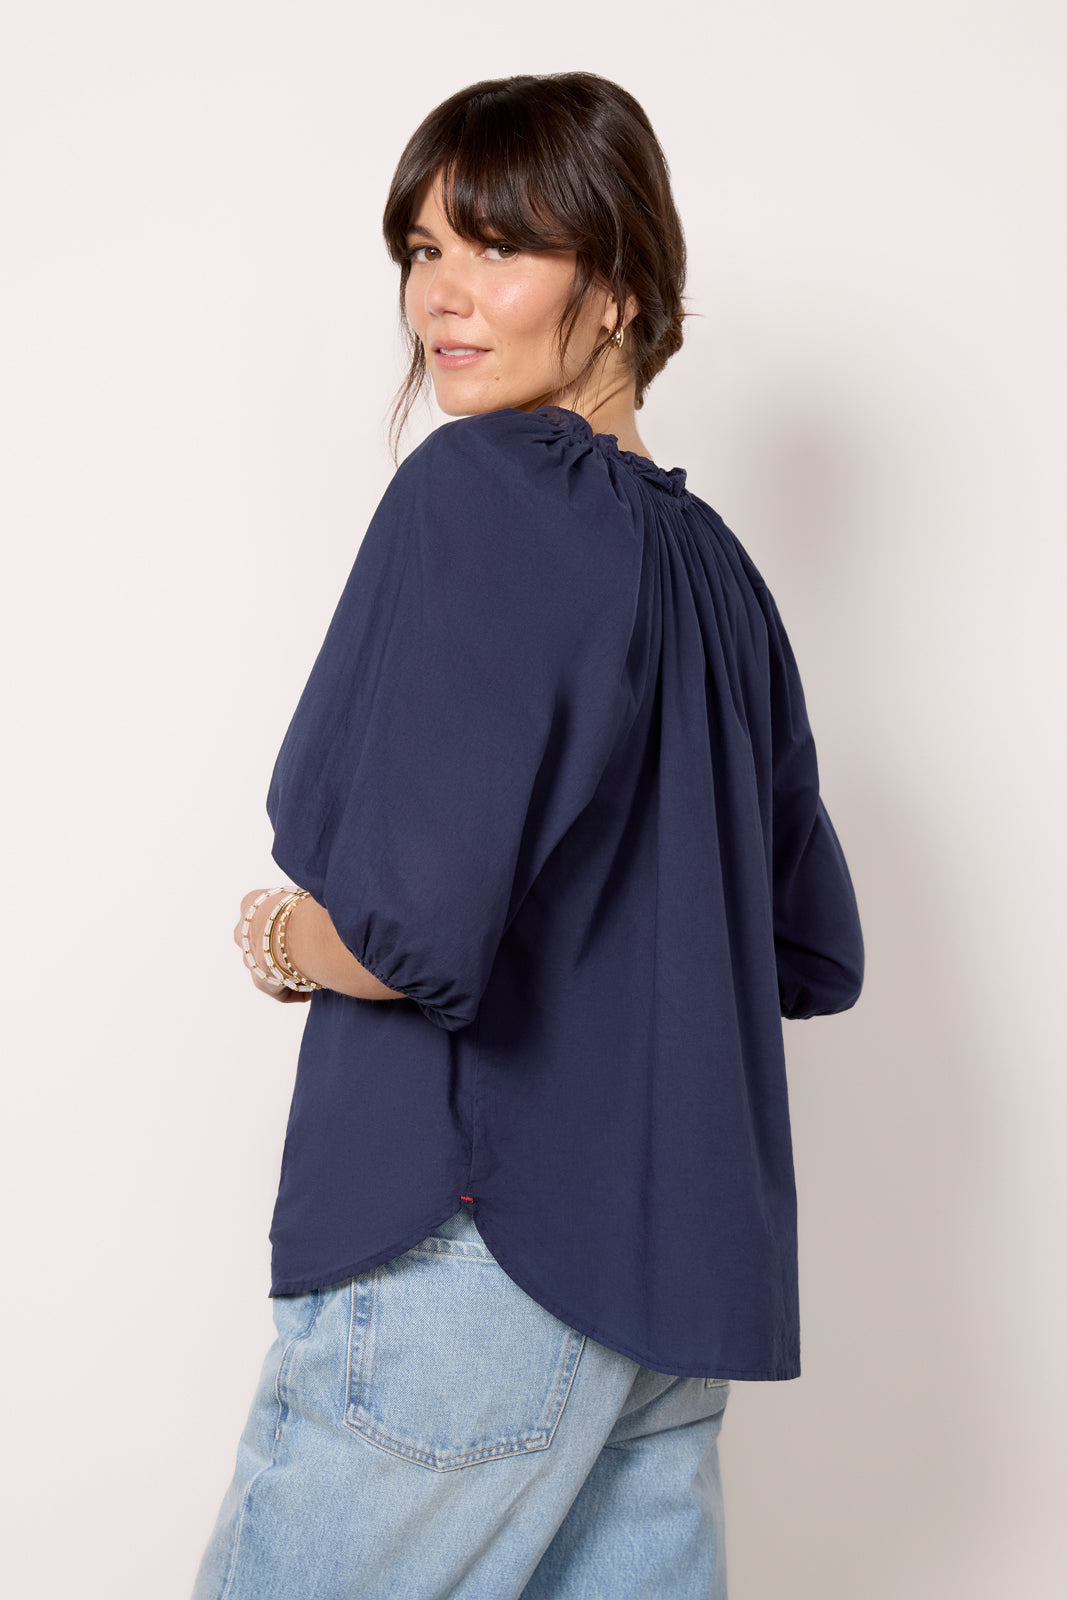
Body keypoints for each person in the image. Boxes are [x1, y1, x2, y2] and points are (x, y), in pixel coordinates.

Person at [191, 71, 864, 1600]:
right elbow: (807, 947)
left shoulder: (481, 494)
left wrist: (280, 936)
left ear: (616, 282)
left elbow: (405, 937)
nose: (441, 294)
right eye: (422, 249)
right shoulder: (719, 572)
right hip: (667, 1307)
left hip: (471, 1252)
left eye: (498, 247)